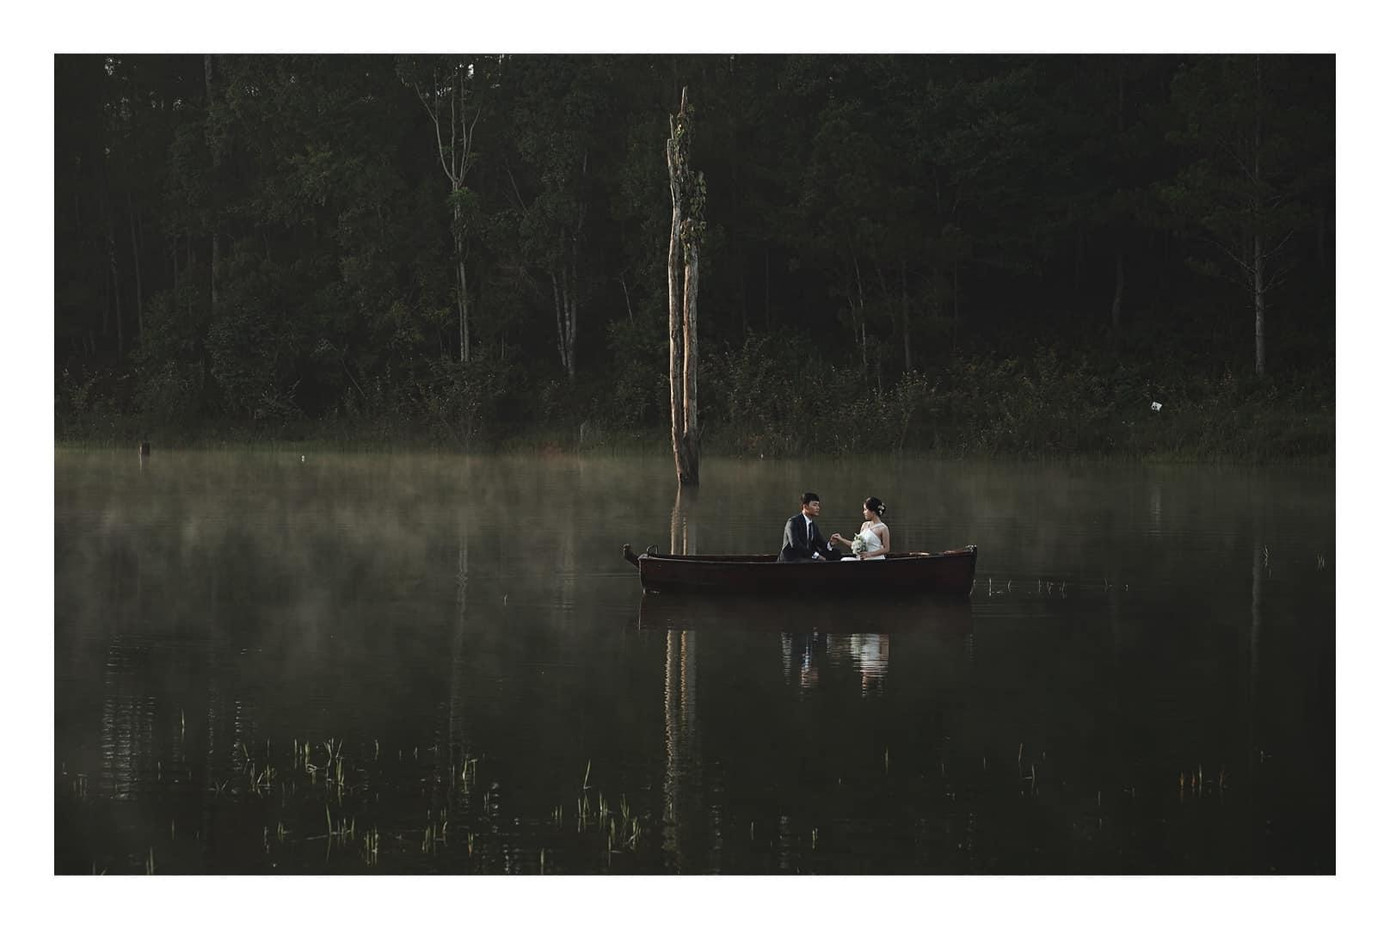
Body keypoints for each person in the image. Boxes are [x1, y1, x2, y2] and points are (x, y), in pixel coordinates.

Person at [778, 492, 843, 562]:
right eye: (815, 505)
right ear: (805, 506)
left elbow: (821, 543)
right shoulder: (793, 522)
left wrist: (830, 544)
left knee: (836, 553)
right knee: (813, 562)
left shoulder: (813, 525)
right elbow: (795, 544)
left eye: (818, 505)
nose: (818, 508)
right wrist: (816, 556)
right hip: (792, 558)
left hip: (806, 557)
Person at [830, 496, 891, 561]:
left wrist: (869, 554)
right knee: (844, 560)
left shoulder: (883, 528)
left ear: (872, 512)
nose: (863, 512)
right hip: (862, 559)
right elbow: (855, 544)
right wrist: (841, 539)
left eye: (865, 510)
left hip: (875, 560)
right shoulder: (864, 525)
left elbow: (886, 549)